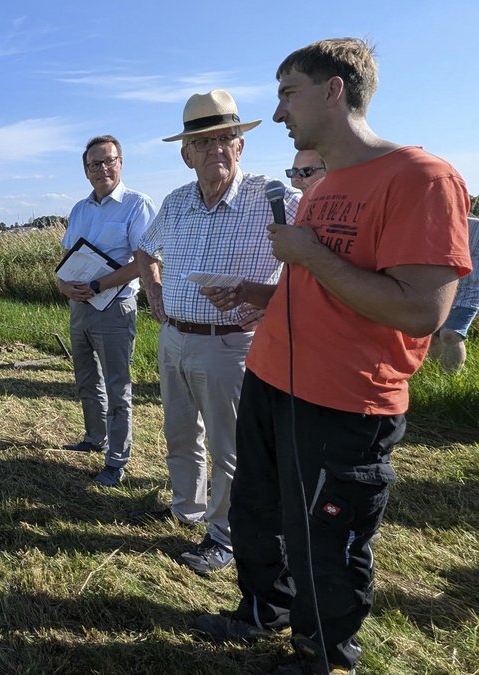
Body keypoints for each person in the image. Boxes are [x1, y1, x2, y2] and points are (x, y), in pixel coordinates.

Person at [193, 39, 471, 675]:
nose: (280, 110)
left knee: (325, 539)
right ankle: (264, 608)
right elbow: (324, 282)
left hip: (345, 401)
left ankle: (323, 654)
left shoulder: (421, 179)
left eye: (288, 92)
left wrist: (310, 255)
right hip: (272, 378)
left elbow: (420, 310)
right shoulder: (325, 185)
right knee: (258, 511)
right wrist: (264, 290)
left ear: (333, 90)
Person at [135, 89, 300, 576]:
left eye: (225, 138)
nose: (216, 151)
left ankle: (224, 536)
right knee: (180, 432)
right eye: (203, 142)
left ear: (241, 146)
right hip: (174, 338)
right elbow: (146, 250)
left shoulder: (274, 199)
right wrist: (154, 295)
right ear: (186, 154)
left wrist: (271, 306)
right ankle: (186, 509)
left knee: (228, 447)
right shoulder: (178, 200)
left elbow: (314, 266)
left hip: (232, 346)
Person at [56, 135, 156, 488]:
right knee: (86, 377)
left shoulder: (136, 205)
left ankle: (116, 460)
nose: (102, 169)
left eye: (108, 161)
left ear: (121, 162)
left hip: (115, 307)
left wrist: (101, 285)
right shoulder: (80, 209)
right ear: (86, 171)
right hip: (80, 306)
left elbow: (144, 261)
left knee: (117, 384)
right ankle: (94, 437)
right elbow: (67, 260)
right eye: (94, 164)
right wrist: (64, 286)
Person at [238, 149, 329, 330]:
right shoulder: (297, 210)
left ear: (330, 171)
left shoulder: (342, 221)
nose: (295, 180)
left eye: (305, 172)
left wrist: (285, 305)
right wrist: (276, 302)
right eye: (292, 173)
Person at [428, 215, 479, 371]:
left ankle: (451, 377)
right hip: (445, 286)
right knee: (432, 337)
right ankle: (436, 374)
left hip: (471, 290)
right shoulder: (438, 224)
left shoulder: (475, 226)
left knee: (451, 334)